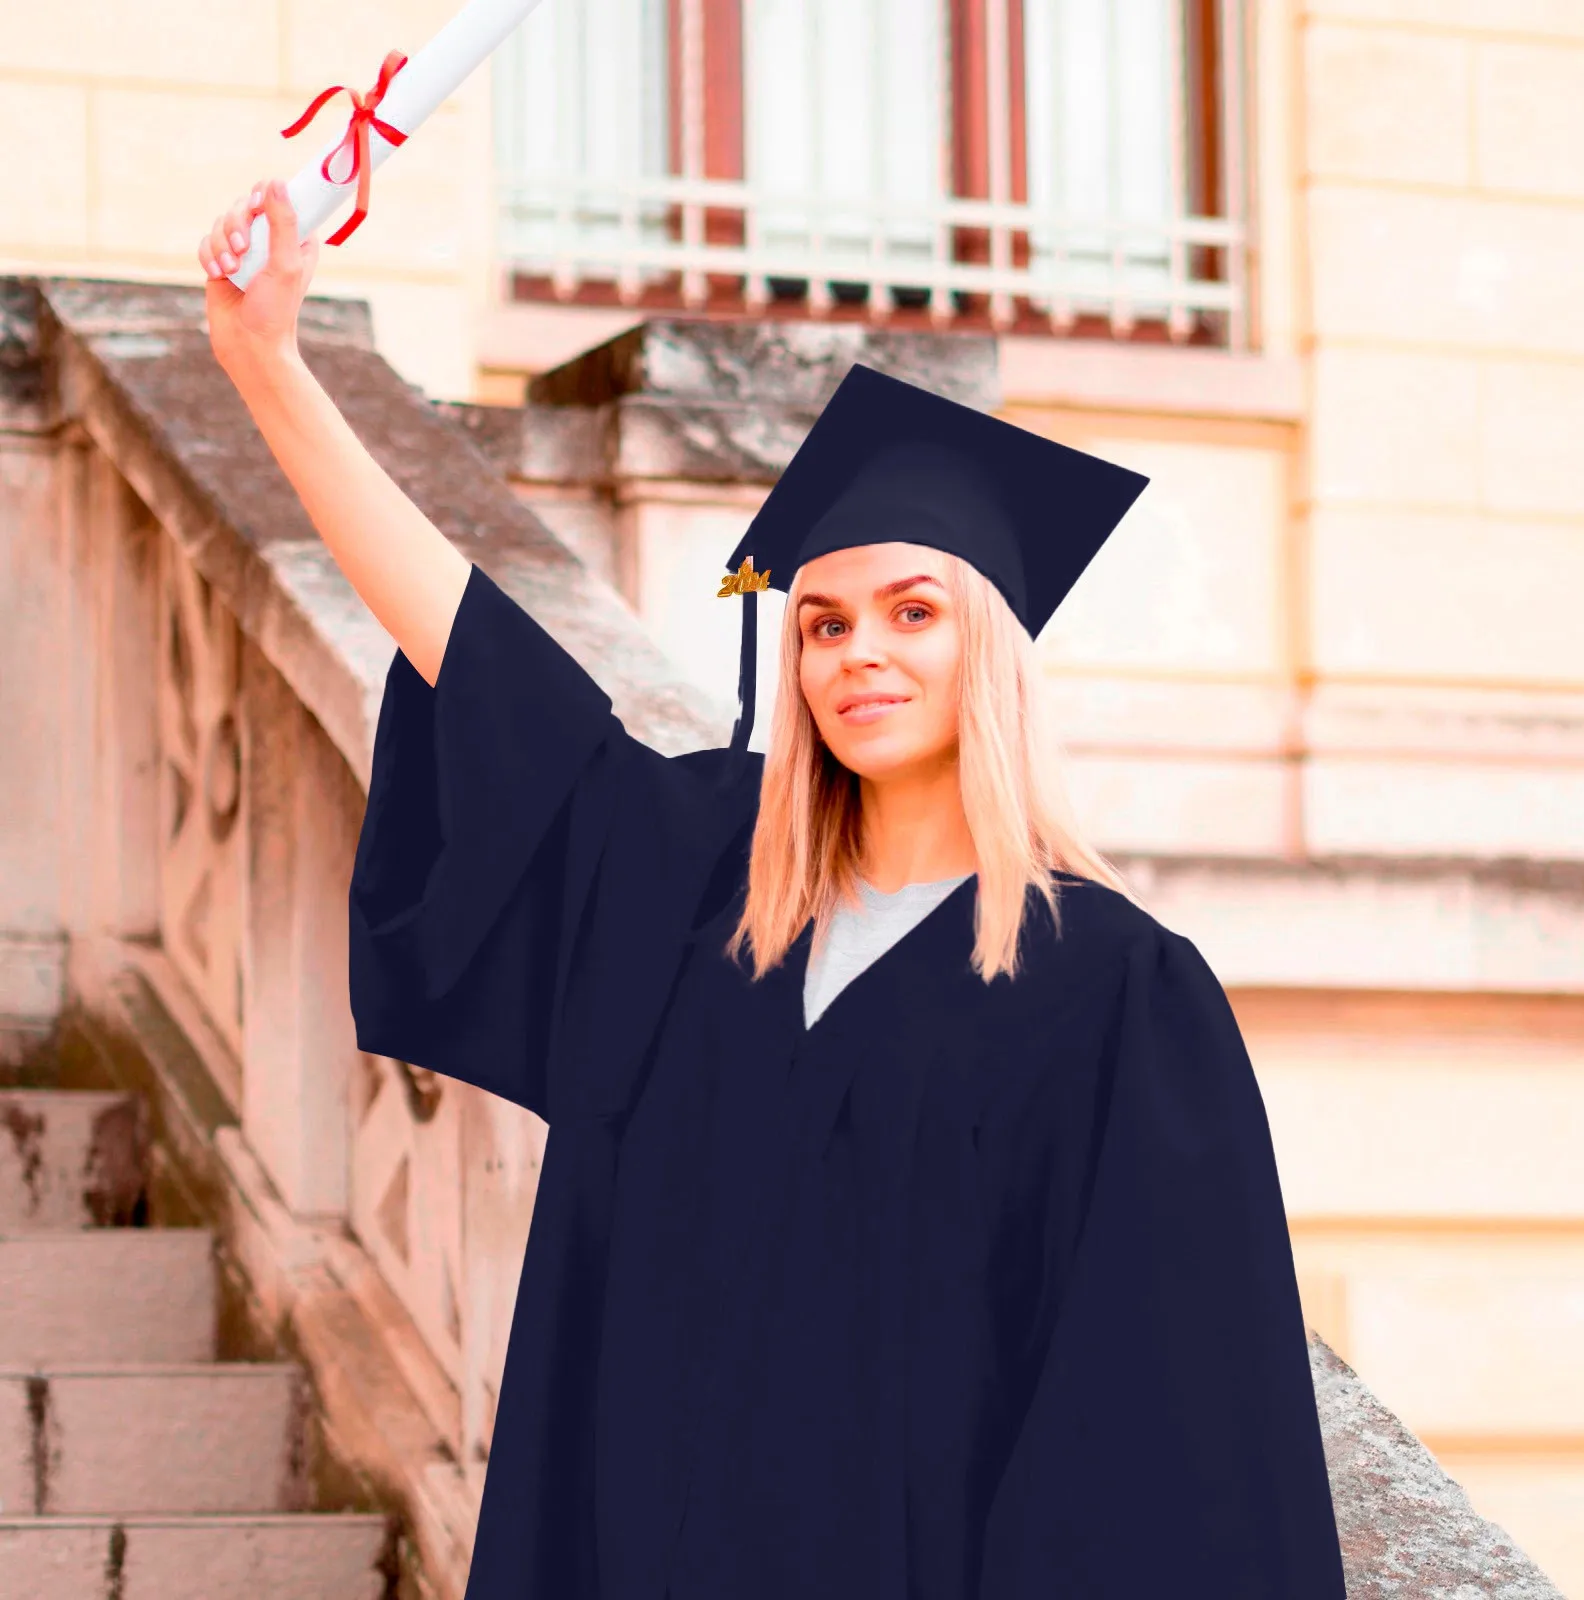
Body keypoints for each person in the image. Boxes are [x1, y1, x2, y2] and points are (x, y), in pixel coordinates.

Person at [201, 182, 1349, 1600]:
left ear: (989, 647)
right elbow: (481, 660)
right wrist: (268, 363)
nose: (857, 652)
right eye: (822, 622)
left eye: (912, 613)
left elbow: (1160, 1438)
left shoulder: (1115, 995)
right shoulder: (699, 882)